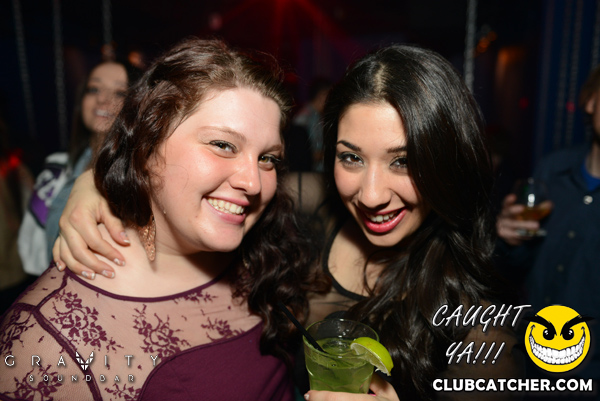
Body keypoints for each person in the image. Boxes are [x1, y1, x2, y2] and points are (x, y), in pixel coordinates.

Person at [51, 45, 524, 401]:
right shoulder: (313, 207)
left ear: (446, 164)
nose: (371, 194)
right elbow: (207, 178)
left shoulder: (481, 328)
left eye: (404, 161)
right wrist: (96, 184)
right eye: (352, 157)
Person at [0, 38, 321, 400]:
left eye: (268, 158)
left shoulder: (257, 251)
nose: (253, 182)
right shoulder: (47, 343)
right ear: (147, 147)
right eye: (222, 145)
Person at [496, 64, 600, 387]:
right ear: (591, 101)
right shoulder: (552, 170)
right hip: (528, 363)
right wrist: (509, 240)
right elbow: (518, 265)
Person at [17, 57, 138, 276]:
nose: (102, 99)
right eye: (94, 89)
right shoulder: (57, 166)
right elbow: (32, 250)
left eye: (120, 92)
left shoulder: (142, 174)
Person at [292, 77, 332, 172]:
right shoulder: (303, 119)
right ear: (322, 96)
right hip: (306, 175)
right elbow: (299, 154)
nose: (331, 101)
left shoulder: (318, 117)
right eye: (330, 97)